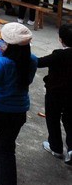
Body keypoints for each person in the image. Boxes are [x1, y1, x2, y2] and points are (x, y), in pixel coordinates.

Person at [0, 22, 38, 185]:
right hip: (18, 111)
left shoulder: (3, 62)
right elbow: (27, 80)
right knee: (6, 148)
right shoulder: (32, 60)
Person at [37, 23, 72, 165]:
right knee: (70, 120)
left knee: (53, 118)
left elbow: (39, 62)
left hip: (55, 92)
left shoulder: (59, 54)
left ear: (61, 39)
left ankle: (56, 147)